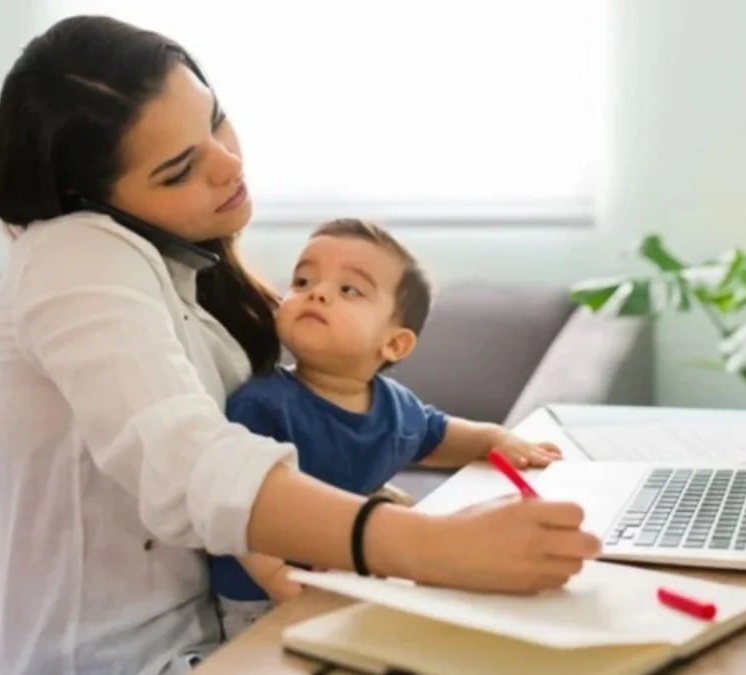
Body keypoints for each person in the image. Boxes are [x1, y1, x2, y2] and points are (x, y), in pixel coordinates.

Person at [0, 14, 602, 675]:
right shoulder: (71, 253)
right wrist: (429, 544)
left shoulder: (186, 274)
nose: (228, 163)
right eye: (181, 169)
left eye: (216, 120)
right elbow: (188, 462)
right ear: (88, 200)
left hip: (240, 634)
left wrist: (381, 511)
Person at [209, 217, 564, 638]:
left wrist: (495, 439)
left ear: (394, 344)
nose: (316, 293)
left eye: (349, 290)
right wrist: (275, 576)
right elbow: (245, 504)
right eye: (303, 281)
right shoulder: (261, 404)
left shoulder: (395, 407)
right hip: (262, 594)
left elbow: (439, 435)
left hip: (353, 572)